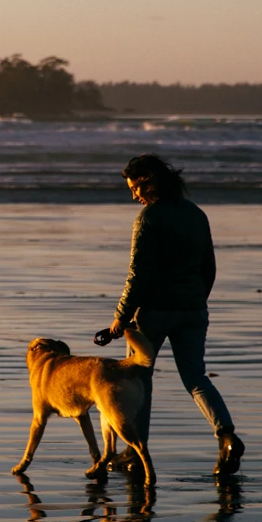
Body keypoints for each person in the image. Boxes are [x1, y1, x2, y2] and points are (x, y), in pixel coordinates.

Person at [99, 154, 245, 476]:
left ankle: (137, 454)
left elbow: (137, 275)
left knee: (140, 380)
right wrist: (194, 300)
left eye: (135, 188)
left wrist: (120, 318)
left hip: (153, 313)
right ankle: (227, 435)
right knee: (195, 378)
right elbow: (209, 268)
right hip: (193, 310)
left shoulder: (148, 219)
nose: (133, 196)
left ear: (149, 183)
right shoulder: (196, 214)